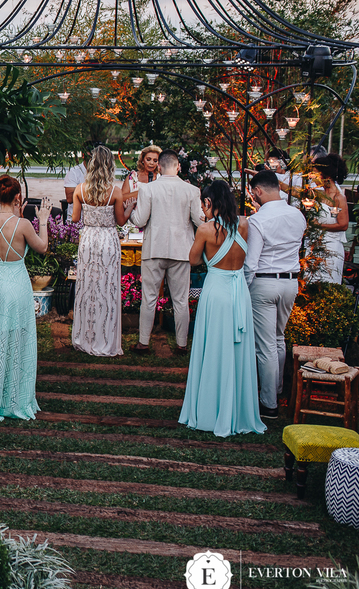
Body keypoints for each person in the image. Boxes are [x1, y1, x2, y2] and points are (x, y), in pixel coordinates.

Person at [179, 181, 266, 437]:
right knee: (237, 350)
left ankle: (210, 408)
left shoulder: (206, 229)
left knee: (213, 347)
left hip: (216, 291)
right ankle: (236, 410)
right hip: (239, 292)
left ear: (208, 202)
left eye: (203, 204)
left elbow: (193, 259)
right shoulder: (245, 224)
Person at [0, 177, 52, 422]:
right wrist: (43, 221)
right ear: (17, 197)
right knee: (16, 336)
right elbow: (42, 248)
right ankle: (12, 396)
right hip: (16, 284)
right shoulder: (23, 224)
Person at [245, 169, 307, 419]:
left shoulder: (258, 220)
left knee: (266, 345)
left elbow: (251, 263)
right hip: (290, 283)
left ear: (258, 191)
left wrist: (243, 288)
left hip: (264, 283)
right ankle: (278, 389)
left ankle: (269, 403)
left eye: (252, 193)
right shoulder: (298, 215)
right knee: (279, 338)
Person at [128, 149, 202, 354]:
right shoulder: (192, 191)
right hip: (181, 250)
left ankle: (143, 343)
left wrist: (130, 212)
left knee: (149, 298)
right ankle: (181, 344)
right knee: (180, 300)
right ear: (178, 167)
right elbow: (199, 221)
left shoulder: (148, 189)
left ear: (159, 167)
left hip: (154, 248)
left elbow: (140, 221)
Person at [71, 145, 131, 357]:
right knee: (107, 289)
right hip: (107, 241)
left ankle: (84, 337)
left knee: (87, 288)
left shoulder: (80, 189)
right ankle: (104, 338)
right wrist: (130, 207)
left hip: (88, 240)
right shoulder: (115, 191)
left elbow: (75, 218)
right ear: (109, 165)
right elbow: (121, 221)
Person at [306, 153, 349, 284]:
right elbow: (295, 192)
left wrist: (318, 225)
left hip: (331, 248)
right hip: (315, 245)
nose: (311, 176)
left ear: (326, 176)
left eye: (315, 173)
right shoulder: (320, 193)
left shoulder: (338, 197)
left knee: (327, 282)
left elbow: (343, 225)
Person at [62, 141, 98, 221]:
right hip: (78, 220)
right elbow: (69, 199)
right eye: (91, 155)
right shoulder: (74, 172)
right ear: (83, 155)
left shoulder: (104, 173)